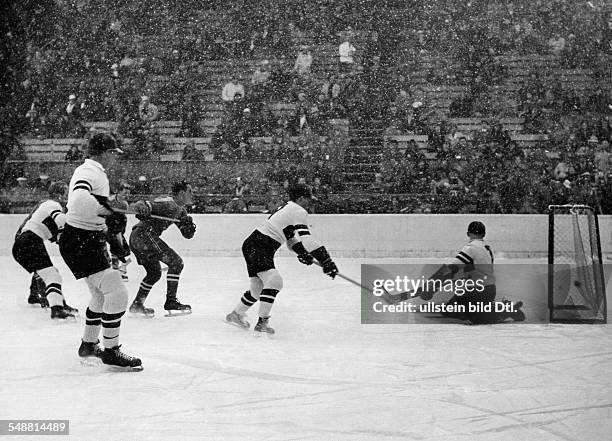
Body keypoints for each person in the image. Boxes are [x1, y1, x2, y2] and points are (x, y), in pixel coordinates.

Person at [59, 133, 147, 369]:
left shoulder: (93, 172)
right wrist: (109, 211)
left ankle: (89, 344)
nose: (115, 159)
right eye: (113, 154)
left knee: (100, 295)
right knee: (117, 294)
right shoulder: (89, 171)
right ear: (105, 153)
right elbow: (79, 201)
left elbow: (92, 204)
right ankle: (111, 351)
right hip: (82, 241)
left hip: (83, 240)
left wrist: (112, 209)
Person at [225, 184, 339, 334]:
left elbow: (290, 240)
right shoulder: (299, 210)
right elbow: (308, 240)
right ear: (300, 198)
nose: (310, 202)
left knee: (258, 288)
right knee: (274, 281)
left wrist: (303, 253)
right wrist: (326, 261)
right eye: (308, 199)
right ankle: (262, 323)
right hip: (261, 245)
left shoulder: (288, 208)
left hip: (254, 243)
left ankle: (236, 314)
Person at [412, 221, 525, 324]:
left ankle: (502, 309)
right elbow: (479, 271)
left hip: (476, 292)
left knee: (475, 319)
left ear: (468, 234)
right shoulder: (487, 249)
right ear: (484, 234)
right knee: (453, 309)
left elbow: (451, 268)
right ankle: (494, 307)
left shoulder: (470, 248)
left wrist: (433, 284)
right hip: (489, 290)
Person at [128, 181, 196, 317]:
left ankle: (137, 304)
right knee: (176, 263)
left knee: (154, 273)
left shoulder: (181, 211)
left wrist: (188, 227)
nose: (192, 195)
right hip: (144, 235)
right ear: (182, 193)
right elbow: (143, 204)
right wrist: (142, 208)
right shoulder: (168, 203)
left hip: (138, 238)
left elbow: (187, 235)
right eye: (190, 191)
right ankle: (171, 301)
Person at [12, 181, 78, 319]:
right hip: (30, 241)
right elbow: (60, 221)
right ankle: (56, 308)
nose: (68, 196)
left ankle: (57, 303)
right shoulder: (52, 204)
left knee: (51, 274)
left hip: (25, 242)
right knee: (52, 275)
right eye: (66, 193)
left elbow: (56, 235)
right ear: (59, 194)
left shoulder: (45, 206)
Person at [108, 183, 132, 281]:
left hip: (118, 228)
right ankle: (115, 270)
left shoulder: (124, 204)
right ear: (119, 191)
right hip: (108, 227)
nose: (126, 195)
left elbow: (122, 218)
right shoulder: (110, 200)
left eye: (128, 193)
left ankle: (119, 270)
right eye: (125, 193)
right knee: (117, 248)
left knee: (122, 250)